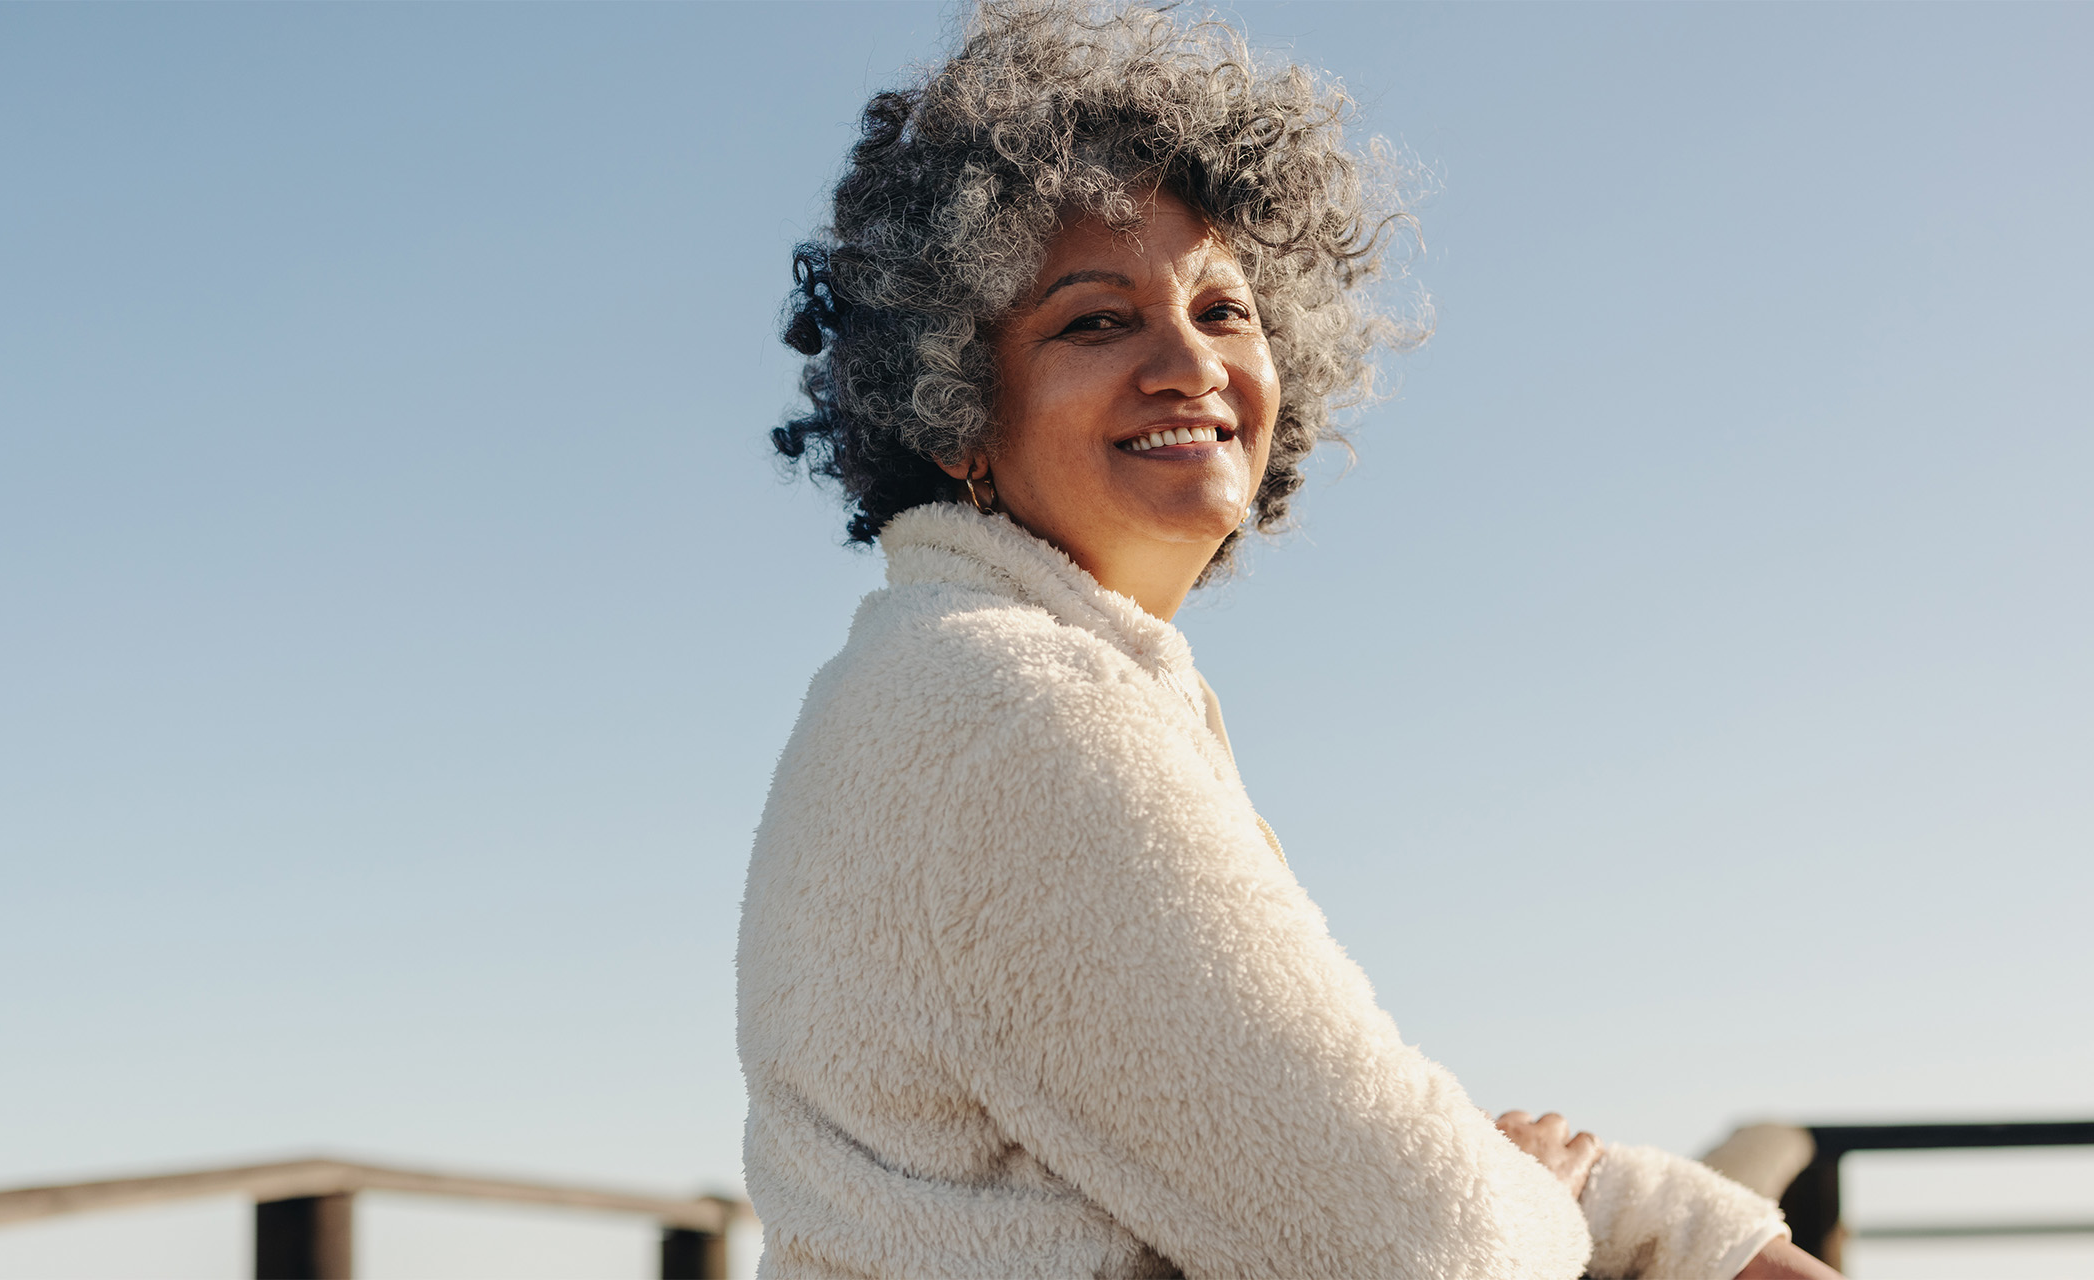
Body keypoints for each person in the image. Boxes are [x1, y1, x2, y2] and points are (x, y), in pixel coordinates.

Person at [738, 5, 1841, 1277]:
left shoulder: (984, 672)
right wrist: (1532, 1200)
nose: (1187, 364)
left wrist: (1687, 1225)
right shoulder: (1013, 711)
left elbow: (1322, 1139)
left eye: (1222, 310)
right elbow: (1425, 1241)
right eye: (1094, 321)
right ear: (955, 415)